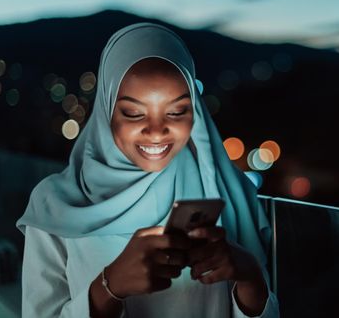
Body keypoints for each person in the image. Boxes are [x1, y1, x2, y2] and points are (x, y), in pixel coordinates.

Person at [16, 23, 280, 318]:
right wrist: (109, 287)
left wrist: (250, 279)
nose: (156, 132)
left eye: (177, 111)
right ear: (106, 111)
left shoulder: (227, 190)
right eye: (133, 112)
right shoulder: (56, 204)